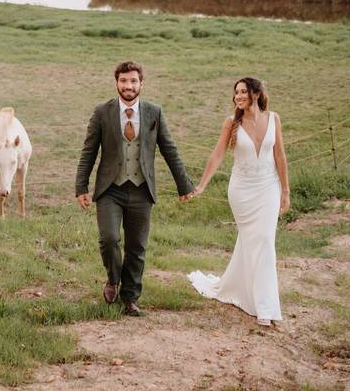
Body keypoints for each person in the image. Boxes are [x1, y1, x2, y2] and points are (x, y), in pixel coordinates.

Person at [75, 60, 194, 316]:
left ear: (141, 83)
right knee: (109, 239)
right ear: (116, 82)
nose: (128, 86)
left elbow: (169, 149)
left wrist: (184, 185)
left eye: (133, 81)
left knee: (137, 247)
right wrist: (81, 186)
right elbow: (88, 151)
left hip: (142, 189)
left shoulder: (154, 112)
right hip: (110, 189)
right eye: (123, 81)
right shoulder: (102, 112)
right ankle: (112, 279)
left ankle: (130, 298)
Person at [185, 77, 290, 326]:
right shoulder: (232, 122)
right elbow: (218, 153)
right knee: (252, 240)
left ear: (256, 93)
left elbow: (279, 155)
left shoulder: (273, 119)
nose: (238, 96)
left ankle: (264, 306)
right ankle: (254, 298)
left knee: (264, 240)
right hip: (242, 191)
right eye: (236, 93)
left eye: (243, 91)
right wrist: (201, 185)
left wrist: (286, 190)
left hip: (268, 187)